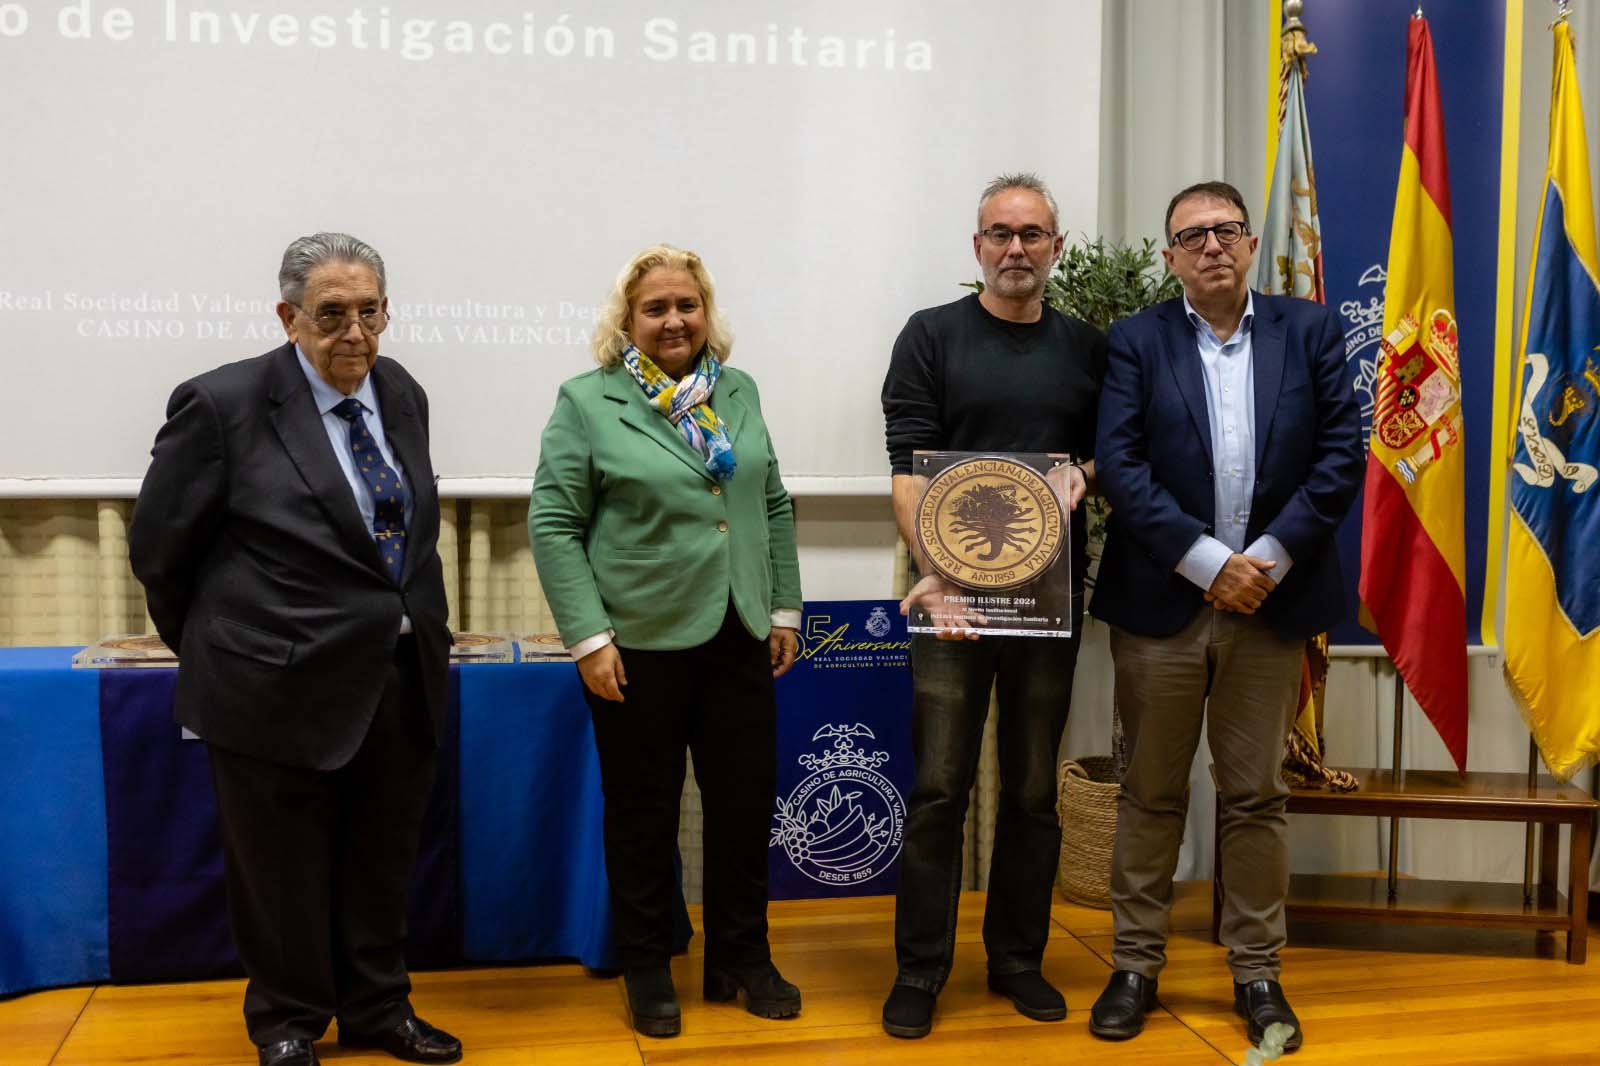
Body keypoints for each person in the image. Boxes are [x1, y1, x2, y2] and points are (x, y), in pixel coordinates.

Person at [128, 233, 462, 1066]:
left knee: (382, 863)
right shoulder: (222, 404)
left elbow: (401, 536)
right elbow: (161, 551)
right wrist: (226, 653)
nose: (355, 332)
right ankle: (287, 1024)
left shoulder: (402, 391)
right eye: (332, 314)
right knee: (278, 875)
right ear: (289, 318)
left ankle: (381, 1012)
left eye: (369, 311)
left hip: (395, 675)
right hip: (270, 688)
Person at [1088, 181, 1362, 1052]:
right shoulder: (1135, 341)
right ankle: (1134, 966)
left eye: (1226, 231)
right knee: (1150, 795)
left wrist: (1265, 563)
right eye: (1190, 236)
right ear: (1169, 256)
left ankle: (1257, 974)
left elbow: (1341, 453)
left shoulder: (1309, 331)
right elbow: (1121, 468)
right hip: (1162, 603)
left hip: (1272, 607)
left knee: (1255, 798)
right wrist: (1208, 563)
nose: (1210, 246)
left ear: (1249, 246)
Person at [528, 244, 804, 1039]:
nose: (674, 319)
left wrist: (783, 608)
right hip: (636, 642)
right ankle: (648, 964)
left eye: (687, 305)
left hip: (739, 631)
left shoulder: (739, 391)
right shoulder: (589, 400)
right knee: (643, 814)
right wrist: (586, 636)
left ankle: (741, 958)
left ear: (706, 313)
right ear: (628, 321)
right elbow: (553, 522)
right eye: (656, 308)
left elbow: (771, 503)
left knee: (744, 808)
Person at [879, 173, 1107, 1039]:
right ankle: (920, 969)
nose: (1017, 248)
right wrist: (933, 569)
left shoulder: (1089, 348)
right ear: (976, 247)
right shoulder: (930, 336)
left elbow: (1109, 455)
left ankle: (1017, 960)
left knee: (1032, 792)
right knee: (938, 788)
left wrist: (1080, 477)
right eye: (1000, 233)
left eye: (1033, 234)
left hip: (1047, 608)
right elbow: (907, 467)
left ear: (1056, 247)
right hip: (950, 604)